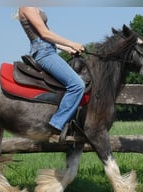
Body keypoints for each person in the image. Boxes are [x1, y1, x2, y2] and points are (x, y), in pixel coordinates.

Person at [17, 7, 86, 140]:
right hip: (44, 52)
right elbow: (44, 34)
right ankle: (56, 126)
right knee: (77, 85)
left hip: (49, 50)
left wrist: (67, 48)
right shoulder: (27, 7)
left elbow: (47, 33)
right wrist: (72, 43)